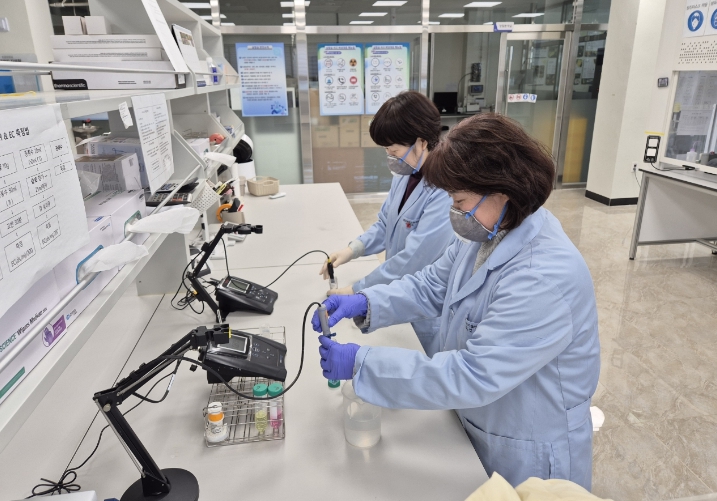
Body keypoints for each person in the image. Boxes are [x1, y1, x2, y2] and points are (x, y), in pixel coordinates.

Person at [312, 113, 600, 490]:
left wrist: (362, 363)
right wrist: (367, 302)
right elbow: (432, 284)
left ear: (502, 190)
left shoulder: (543, 276)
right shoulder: (488, 232)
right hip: (482, 421)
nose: (455, 212)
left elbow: (473, 374)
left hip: (526, 450)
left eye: (459, 200)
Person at [319, 90, 454, 355]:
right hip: (395, 293)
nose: (390, 157)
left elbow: (413, 259)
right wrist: (352, 250)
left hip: (425, 311)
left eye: (394, 151)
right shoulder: (407, 172)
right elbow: (385, 223)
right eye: (386, 151)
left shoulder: (445, 191)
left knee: (420, 364)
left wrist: (356, 290)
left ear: (421, 142)